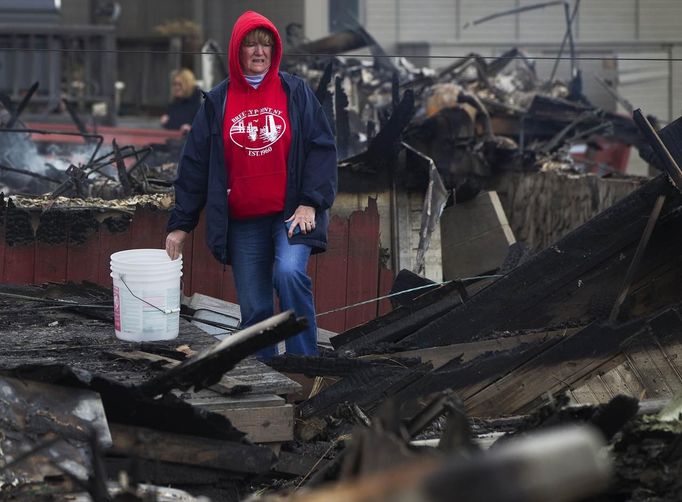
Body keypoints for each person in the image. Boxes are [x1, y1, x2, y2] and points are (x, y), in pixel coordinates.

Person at [165, 11, 337, 360]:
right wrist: (181, 226)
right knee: (256, 309)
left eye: (267, 44)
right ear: (236, 50)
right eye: (251, 44)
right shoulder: (218, 101)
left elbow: (323, 148)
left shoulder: (295, 91)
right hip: (243, 222)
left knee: (290, 273)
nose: (260, 52)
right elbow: (195, 166)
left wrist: (310, 202)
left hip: (292, 213)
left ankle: (306, 368)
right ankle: (268, 380)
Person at [160, 68, 202, 133]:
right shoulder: (173, 105)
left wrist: (192, 128)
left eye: (180, 84)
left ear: (188, 85)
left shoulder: (198, 107)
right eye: (174, 84)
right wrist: (165, 122)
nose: (177, 87)